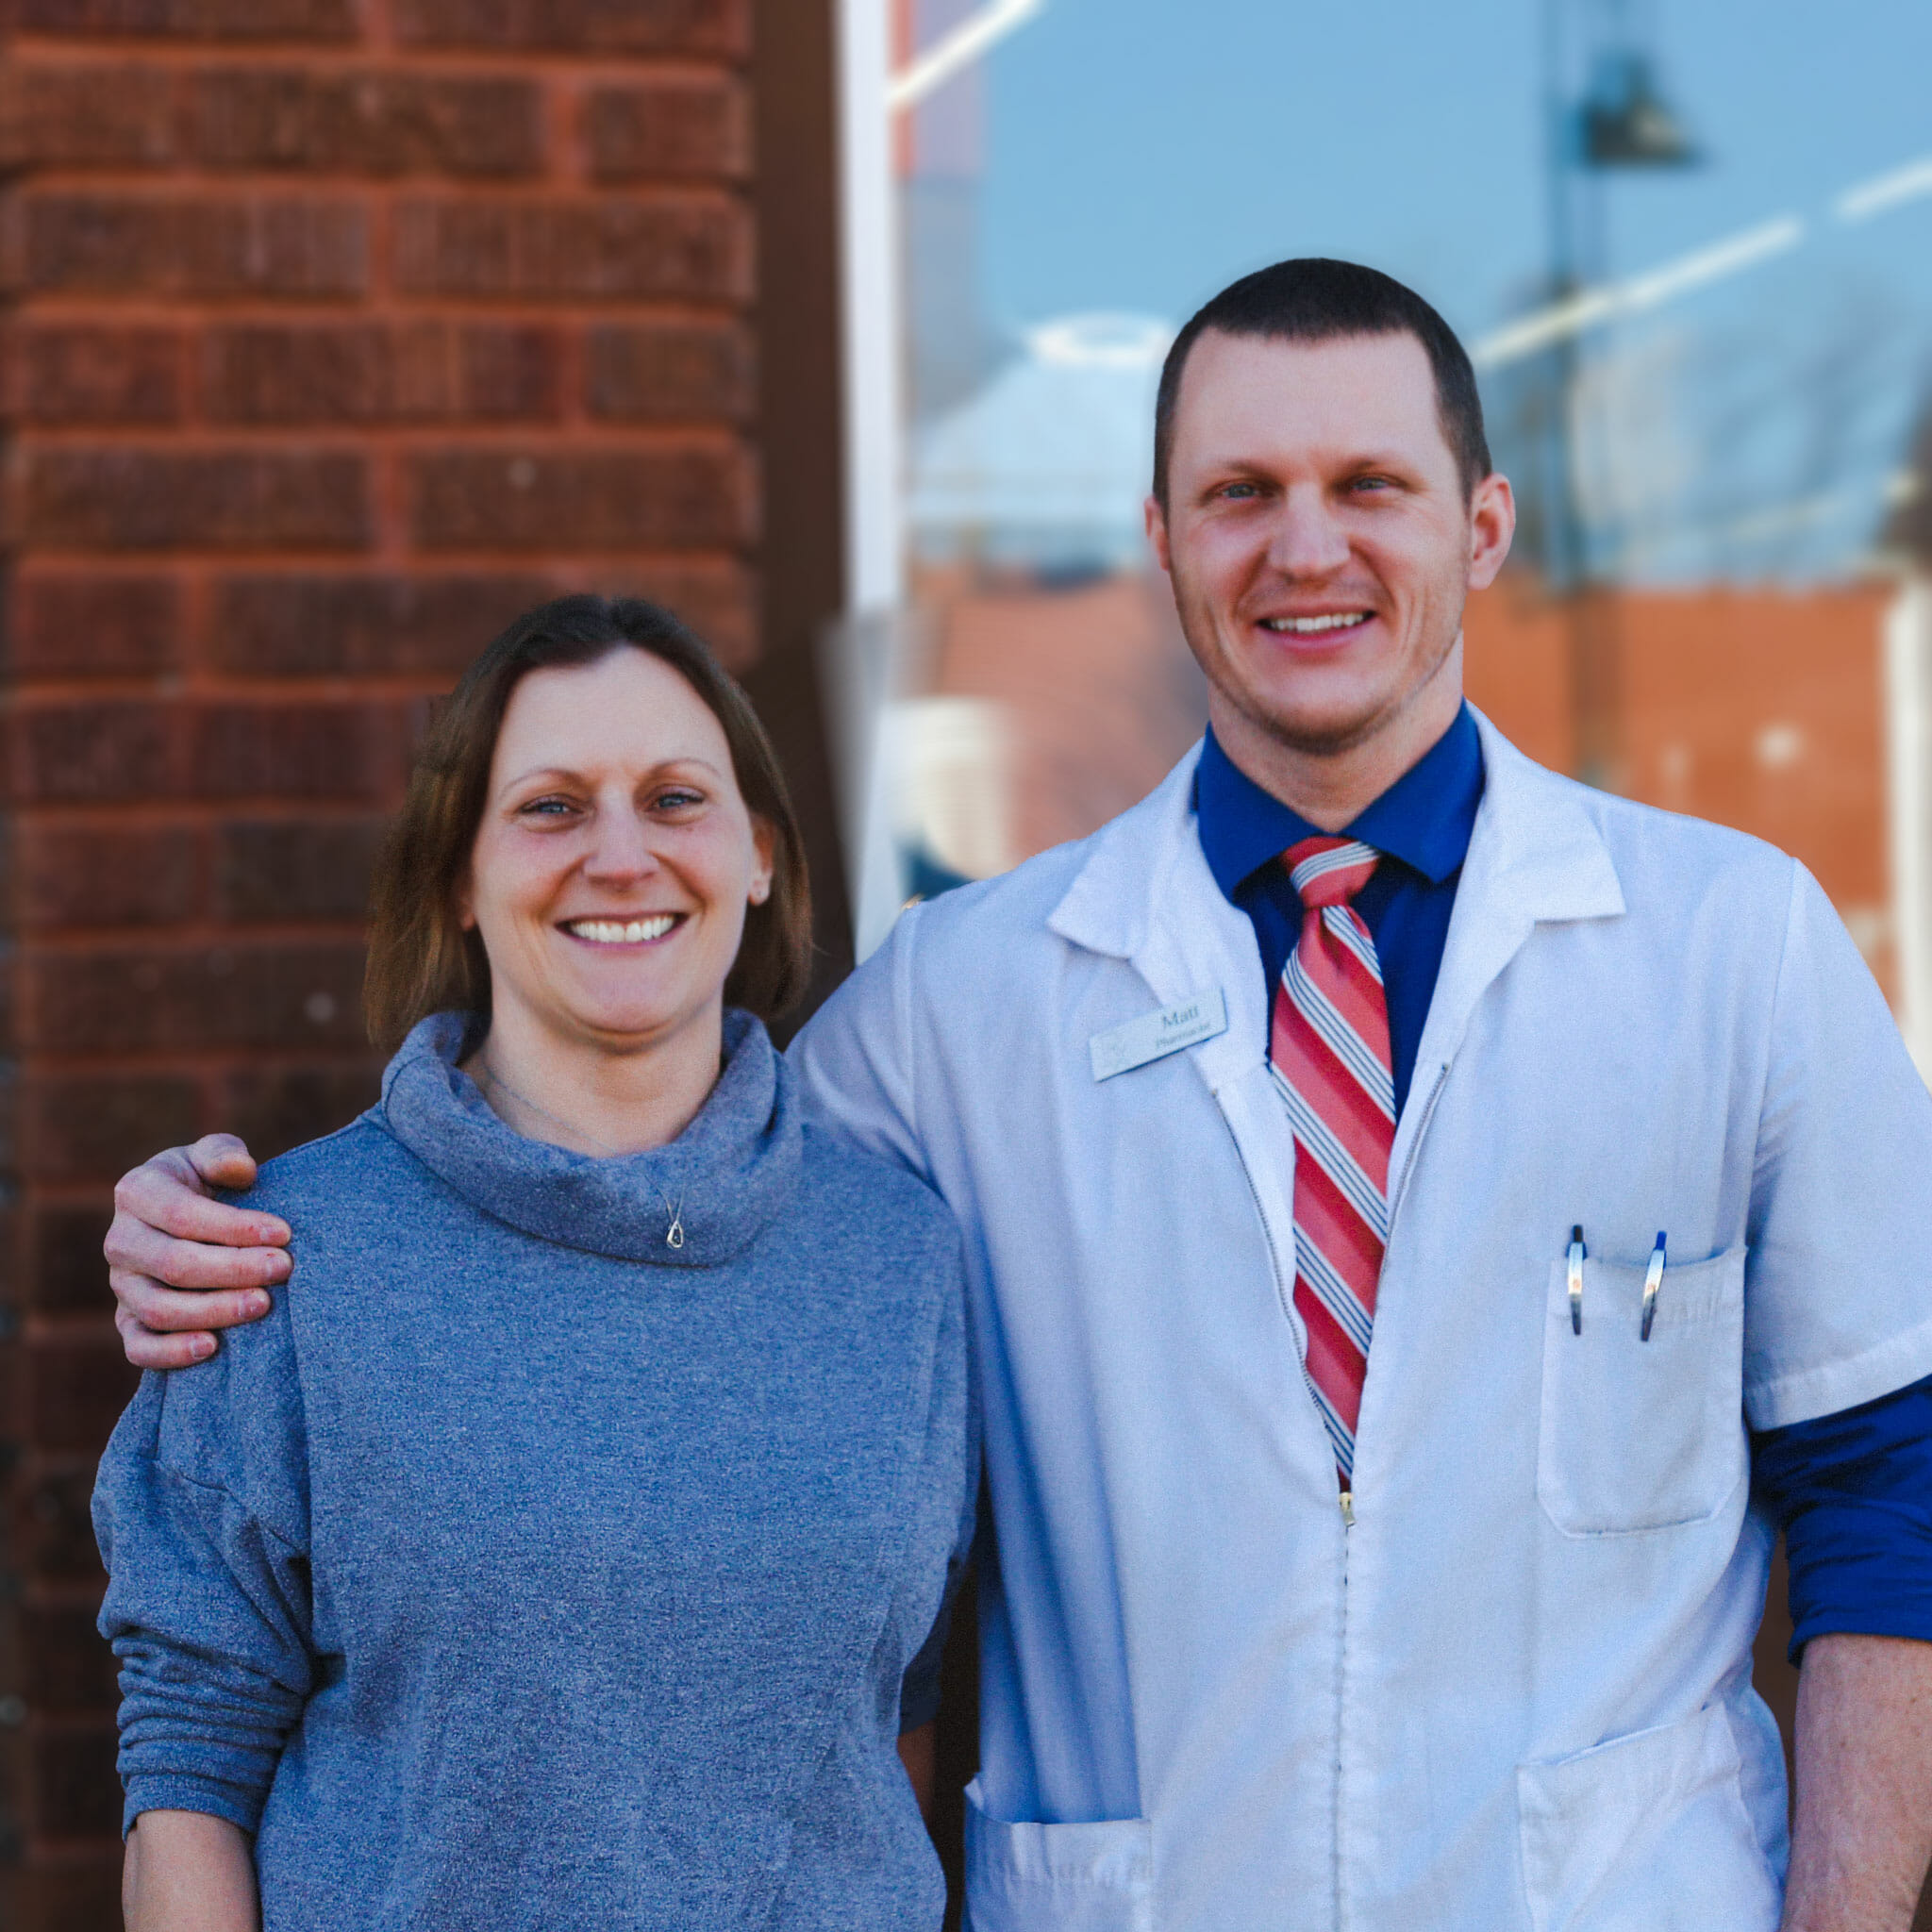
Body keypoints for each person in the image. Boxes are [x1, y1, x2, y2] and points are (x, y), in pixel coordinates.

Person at [107, 262, 1932, 1931]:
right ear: (1161, 538)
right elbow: (629, 1202)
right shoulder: (961, 1003)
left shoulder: (1732, 946)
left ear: (1483, 523)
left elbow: (1888, 1488)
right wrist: (245, 1239)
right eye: (1239, 496)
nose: (1306, 549)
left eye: (1368, 487)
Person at [93, 596, 975, 1930]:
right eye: (552, 806)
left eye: (676, 799)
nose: (621, 857)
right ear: (459, 873)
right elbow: (189, 1776)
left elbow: (889, 1732)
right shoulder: (281, 1258)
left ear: (758, 856)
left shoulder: (897, 1261)